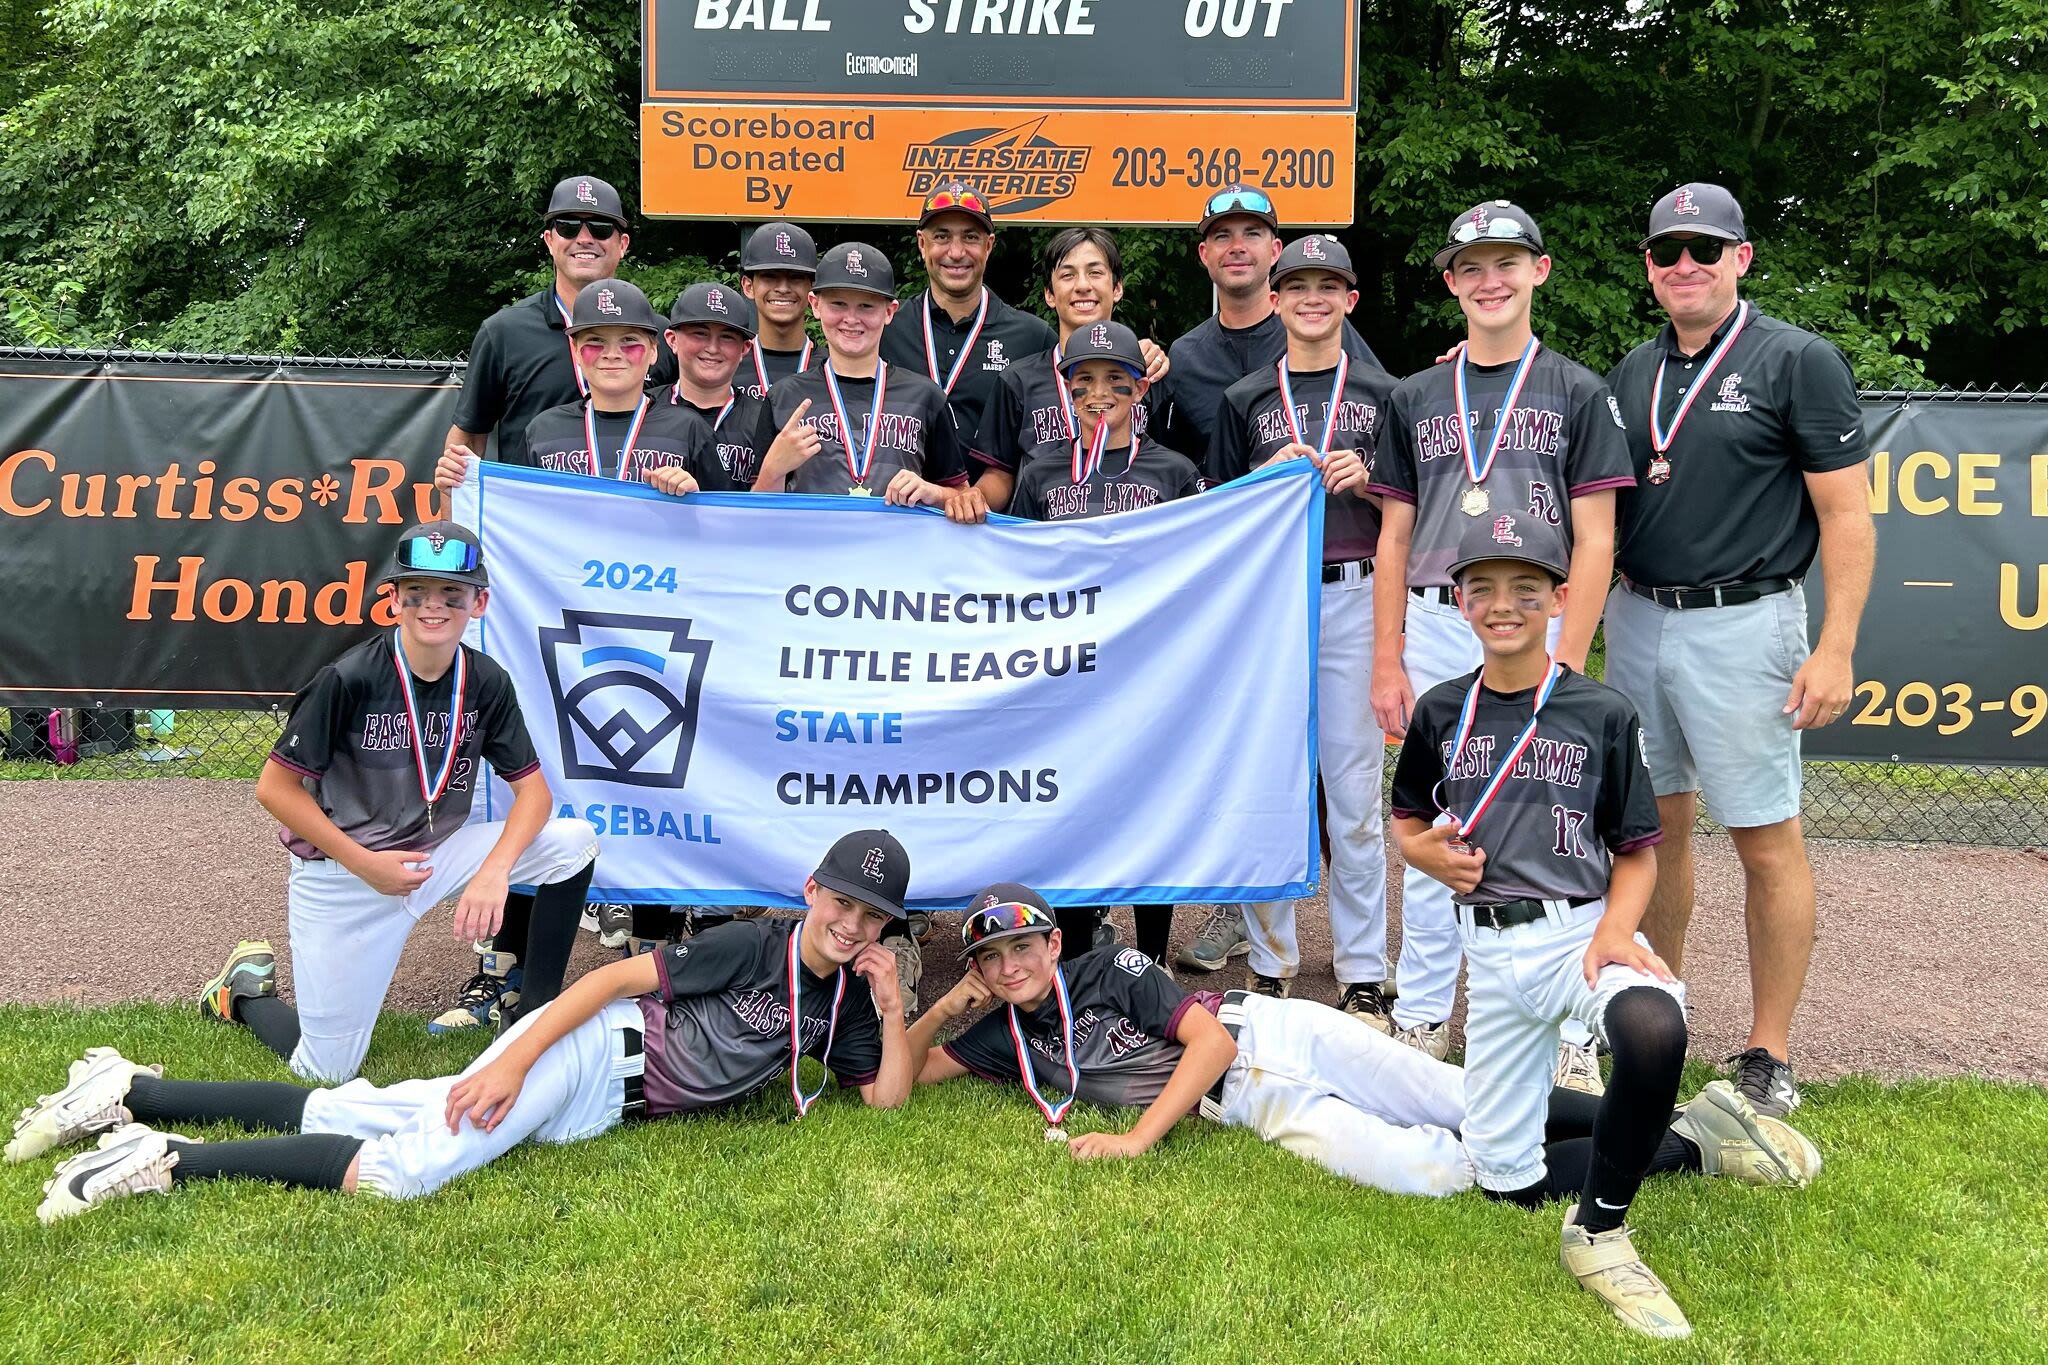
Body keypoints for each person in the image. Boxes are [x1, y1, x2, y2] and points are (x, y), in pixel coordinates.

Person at [11, 832, 914, 1222]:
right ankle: (160, 1157)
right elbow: (602, 983)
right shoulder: (757, 945)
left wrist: (894, 1005)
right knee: (405, 1173)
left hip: (606, 1107)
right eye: (842, 900)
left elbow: (883, 1101)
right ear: (811, 891)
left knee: (354, 1112)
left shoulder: (844, 1005)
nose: (852, 924)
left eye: (872, 917)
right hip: (592, 1052)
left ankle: (132, 1088)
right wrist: (518, 1062)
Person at [907, 885, 1818, 1221]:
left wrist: (1135, 1141)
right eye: (992, 956)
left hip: (1274, 1034)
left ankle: (1684, 1135)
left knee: (1460, 1098)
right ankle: (1693, 1141)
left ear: (1053, 945)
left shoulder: (1112, 965)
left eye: (1024, 946)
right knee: (1438, 1172)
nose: (1012, 965)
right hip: (1252, 1105)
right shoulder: (998, 1036)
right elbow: (890, 1094)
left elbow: (1211, 1035)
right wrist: (947, 1000)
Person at [1388, 532, 1744, 1339]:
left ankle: (1601, 1230)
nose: (1503, 604)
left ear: (1557, 598)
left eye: (1525, 586)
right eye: (1482, 588)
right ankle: (1692, 1139)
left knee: (1653, 1028)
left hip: (1575, 934)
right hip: (1489, 955)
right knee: (1504, 1179)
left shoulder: (1600, 710)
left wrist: (1617, 929)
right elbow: (1408, 818)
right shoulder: (1442, 708)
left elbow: (1638, 850)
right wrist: (1426, 856)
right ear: (1461, 601)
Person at [1601, 184, 1875, 1118]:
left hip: (1747, 619)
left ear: (1742, 258)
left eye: (1705, 250)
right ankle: (1658, 1019)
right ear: (1648, 266)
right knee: (1654, 832)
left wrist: (1835, 646)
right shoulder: (1633, 369)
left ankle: (1768, 1049)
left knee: (1765, 837)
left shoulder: (1798, 359)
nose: (1686, 266)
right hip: (1636, 617)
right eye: (1668, 251)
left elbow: (1846, 514)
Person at [1367, 201, 1634, 1085]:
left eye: (1507, 263)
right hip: (1446, 621)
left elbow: (1596, 537)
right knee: (1446, 822)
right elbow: (1395, 533)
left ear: (1539, 272)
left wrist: (1571, 658)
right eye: (1472, 267)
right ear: (1450, 282)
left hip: (1543, 620)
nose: (1491, 280)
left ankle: (1574, 1025)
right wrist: (1386, 654)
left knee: (1565, 822)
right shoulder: (1413, 394)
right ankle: (1423, 1017)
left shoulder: (1577, 388)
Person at [191, 522, 599, 1084]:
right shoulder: (349, 677)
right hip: (346, 874)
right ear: (394, 600)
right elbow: (274, 789)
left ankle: (534, 1023)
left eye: (451, 594)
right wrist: (366, 865)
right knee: (326, 1072)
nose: (434, 606)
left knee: (572, 843)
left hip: (435, 855)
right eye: (417, 593)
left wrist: (495, 873)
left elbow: (534, 794)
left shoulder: (485, 681)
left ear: (478, 602)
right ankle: (243, 993)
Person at [755, 241, 967, 1011]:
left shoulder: (920, 395)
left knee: (894, 758)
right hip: (809, 615)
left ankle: (894, 936)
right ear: (817, 306)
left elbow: (966, 502)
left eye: (866, 304)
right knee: (819, 755)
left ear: (888, 312)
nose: (851, 315)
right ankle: (808, 927)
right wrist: (776, 463)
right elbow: (745, 511)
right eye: (837, 302)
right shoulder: (785, 395)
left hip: (901, 616)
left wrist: (937, 494)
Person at [1208, 236, 1398, 1016]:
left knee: (1352, 791)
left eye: (1329, 286)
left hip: (1354, 592)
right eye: (1298, 286)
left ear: (1350, 300)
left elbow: (1417, 511)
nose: (1312, 298)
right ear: (1276, 300)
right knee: (1268, 781)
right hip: (1272, 598)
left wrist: (1375, 481)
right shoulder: (1245, 397)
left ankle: (1361, 967)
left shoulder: (1389, 393)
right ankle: (1270, 959)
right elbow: (1214, 509)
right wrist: (1258, 479)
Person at [1002, 322, 1200, 968]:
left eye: (1116, 380)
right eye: (1082, 381)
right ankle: (1079, 957)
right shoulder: (1041, 468)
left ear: (1141, 388)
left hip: (1149, 671)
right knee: (1078, 808)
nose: (1099, 393)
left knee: (1149, 810)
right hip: (1069, 670)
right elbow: (1017, 569)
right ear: (1065, 389)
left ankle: (1153, 961)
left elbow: (1210, 553)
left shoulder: (1172, 470)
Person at [444, 175, 674, 470]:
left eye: (601, 228)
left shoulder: (657, 333)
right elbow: (467, 439)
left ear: (623, 244)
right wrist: (454, 513)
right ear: (550, 241)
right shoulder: (504, 332)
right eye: (568, 226)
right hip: (535, 511)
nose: (584, 238)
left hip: (637, 511)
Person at [1155, 184, 1379, 464]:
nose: (1237, 248)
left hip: (1334, 504)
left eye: (1252, 234)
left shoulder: (1321, 330)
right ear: (1204, 254)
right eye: (1223, 236)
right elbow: (1173, 467)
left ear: (1275, 251)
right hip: (1230, 504)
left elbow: (1387, 417)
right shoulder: (1185, 355)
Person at [964, 227, 1170, 518]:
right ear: (1049, 293)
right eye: (1067, 275)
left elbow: (1169, 465)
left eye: (1095, 273)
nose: (1082, 286)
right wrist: (972, 498)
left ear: (1117, 288)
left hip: (1132, 539)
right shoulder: (1019, 380)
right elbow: (1000, 475)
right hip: (1046, 538)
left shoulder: (1147, 373)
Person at [879, 180, 1056, 446]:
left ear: (989, 246)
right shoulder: (885, 328)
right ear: (922, 244)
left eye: (970, 237)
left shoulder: (1033, 337)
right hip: (897, 488)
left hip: (995, 488)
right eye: (942, 236)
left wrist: (1136, 353)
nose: (956, 252)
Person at [512, 279, 734, 490]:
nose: (612, 354)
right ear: (576, 351)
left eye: (628, 341)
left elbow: (726, 518)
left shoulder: (689, 429)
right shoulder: (542, 431)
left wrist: (695, 497)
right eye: (595, 341)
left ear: (653, 351)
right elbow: (516, 514)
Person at [655, 281, 782, 490]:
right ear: (671, 339)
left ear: (745, 349)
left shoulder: (765, 420)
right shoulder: (646, 410)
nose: (713, 348)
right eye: (700, 333)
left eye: (727, 337)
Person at [737, 221, 820, 399]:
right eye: (770, 276)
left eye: (796, 277)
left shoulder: (832, 368)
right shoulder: (726, 365)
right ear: (748, 286)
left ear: (812, 288)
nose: (783, 288)